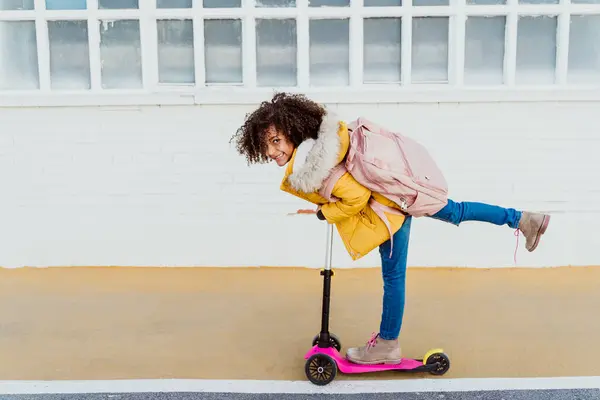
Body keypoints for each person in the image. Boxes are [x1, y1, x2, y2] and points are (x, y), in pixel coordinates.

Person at [230, 92, 550, 365]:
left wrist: (325, 213)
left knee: (394, 277)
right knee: (457, 211)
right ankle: (522, 218)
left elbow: (354, 197)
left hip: (391, 210)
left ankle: (387, 344)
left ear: (293, 131)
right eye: (266, 146)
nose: (272, 152)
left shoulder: (314, 165)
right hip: (401, 196)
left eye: (275, 141)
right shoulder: (326, 142)